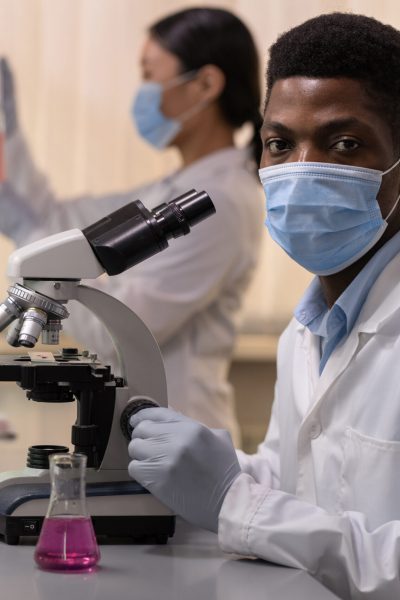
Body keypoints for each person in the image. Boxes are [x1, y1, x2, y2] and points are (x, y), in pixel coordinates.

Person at [127, 12, 400, 600]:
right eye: (280, 144)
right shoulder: (306, 331)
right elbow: (301, 483)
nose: (301, 169)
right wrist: (200, 473)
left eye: (344, 143)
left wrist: (235, 500)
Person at [0, 7, 264, 445]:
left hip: (182, 435)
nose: (142, 93)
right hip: (149, 432)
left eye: (150, 75)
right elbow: (57, 222)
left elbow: (118, 329)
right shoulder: (178, 188)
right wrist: (8, 136)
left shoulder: (218, 203)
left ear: (205, 85)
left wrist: (48, 261)